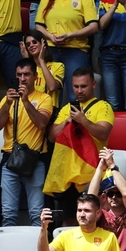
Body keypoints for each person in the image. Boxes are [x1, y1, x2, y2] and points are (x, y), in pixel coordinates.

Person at [0, 58, 53, 229]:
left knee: (36, 213)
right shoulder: (8, 98)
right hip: (10, 159)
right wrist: (7, 104)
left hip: (34, 159)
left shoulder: (44, 98)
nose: (22, 78)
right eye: (19, 75)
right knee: (8, 213)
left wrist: (26, 101)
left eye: (27, 74)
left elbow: (42, 123)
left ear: (35, 76)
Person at [42, 69, 114, 201]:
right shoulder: (66, 108)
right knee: (68, 219)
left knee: (93, 216)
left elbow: (103, 133)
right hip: (68, 173)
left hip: (92, 171)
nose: (79, 91)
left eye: (83, 86)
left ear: (93, 84)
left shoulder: (103, 106)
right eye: (76, 86)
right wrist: (65, 122)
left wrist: (83, 120)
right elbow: (51, 137)